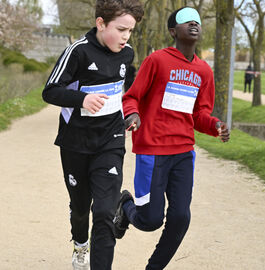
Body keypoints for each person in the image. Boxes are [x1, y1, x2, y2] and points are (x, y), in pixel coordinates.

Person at [113, 6, 230, 270]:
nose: (194, 24)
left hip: (183, 153)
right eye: (186, 21)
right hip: (153, 151)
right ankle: (126, 206)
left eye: (197, 21)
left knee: (180, 218)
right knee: (150, 220)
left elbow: (200, 114)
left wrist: (216, 126)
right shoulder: (157, 60)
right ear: (172, 31)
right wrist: (132, 115)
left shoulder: (204, 71)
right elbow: (131, 96)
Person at [42, 0, 144, 269]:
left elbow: (126, 92)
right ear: (101, 23)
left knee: (103, 212)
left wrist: (131, 112)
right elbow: (50, 91)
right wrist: (82, 99)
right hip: (76, 142)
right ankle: (80, 246)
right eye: (121, 29)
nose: (125, 37)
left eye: (130, 31)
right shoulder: (78, 52)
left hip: (110, 139)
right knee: (80, 208)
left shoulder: (127, 54)